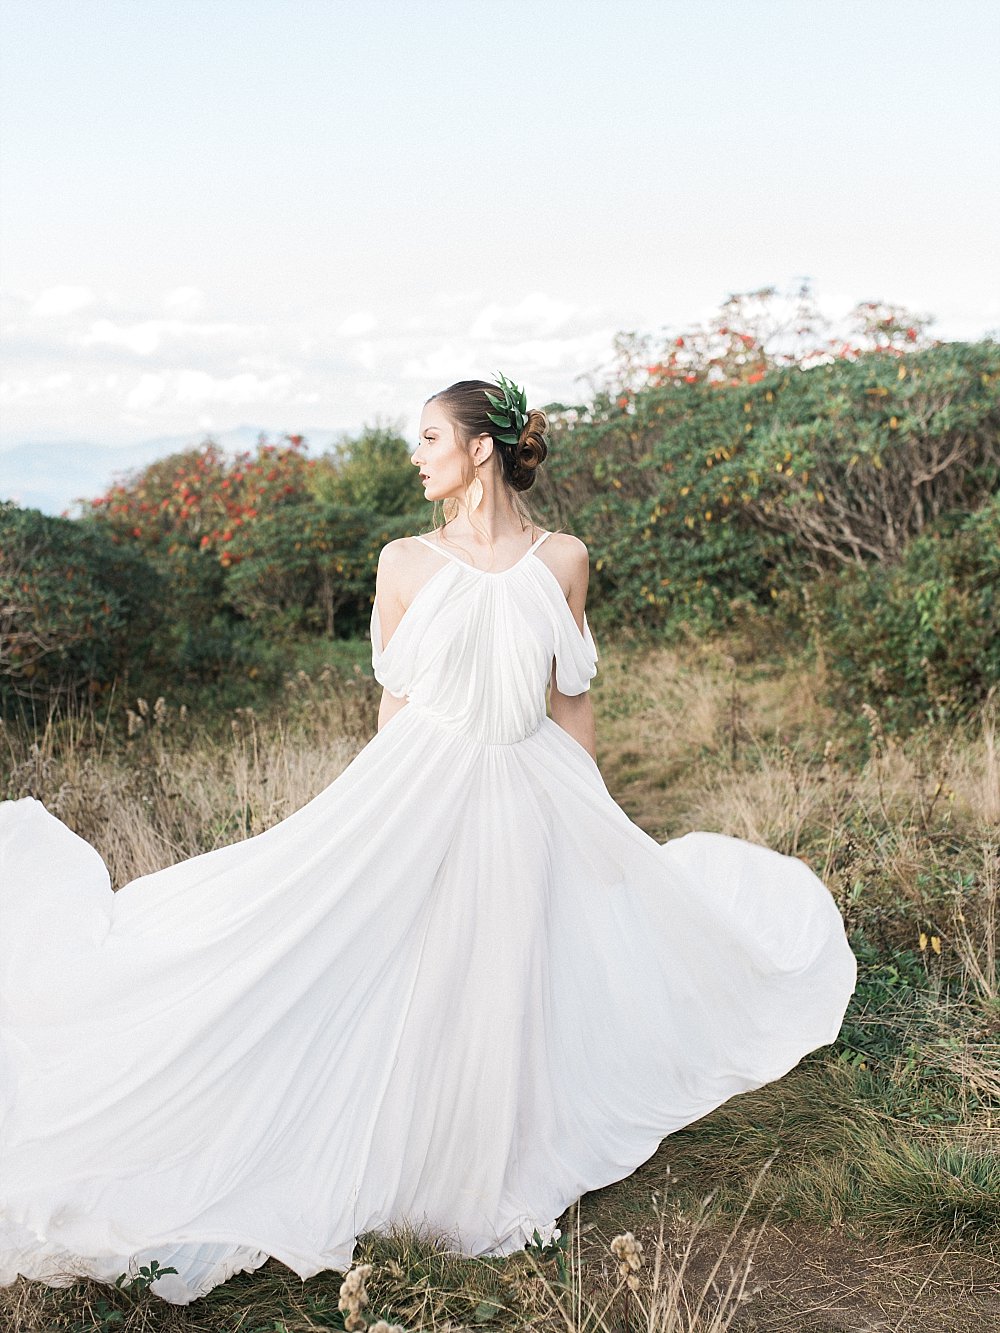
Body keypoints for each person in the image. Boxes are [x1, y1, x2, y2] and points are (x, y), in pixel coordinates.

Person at [0, 375, 857, 1307]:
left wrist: (599, 819)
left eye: (429, 438)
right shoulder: (404, 561)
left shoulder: (565, 558)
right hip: (418, 783)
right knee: (376, 952)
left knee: (507, 963)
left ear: (480, 448)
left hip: (531, 784)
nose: (416, 456)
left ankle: (482, 1155)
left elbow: (571, 699)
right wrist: (376, 823)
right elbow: (394, 704)